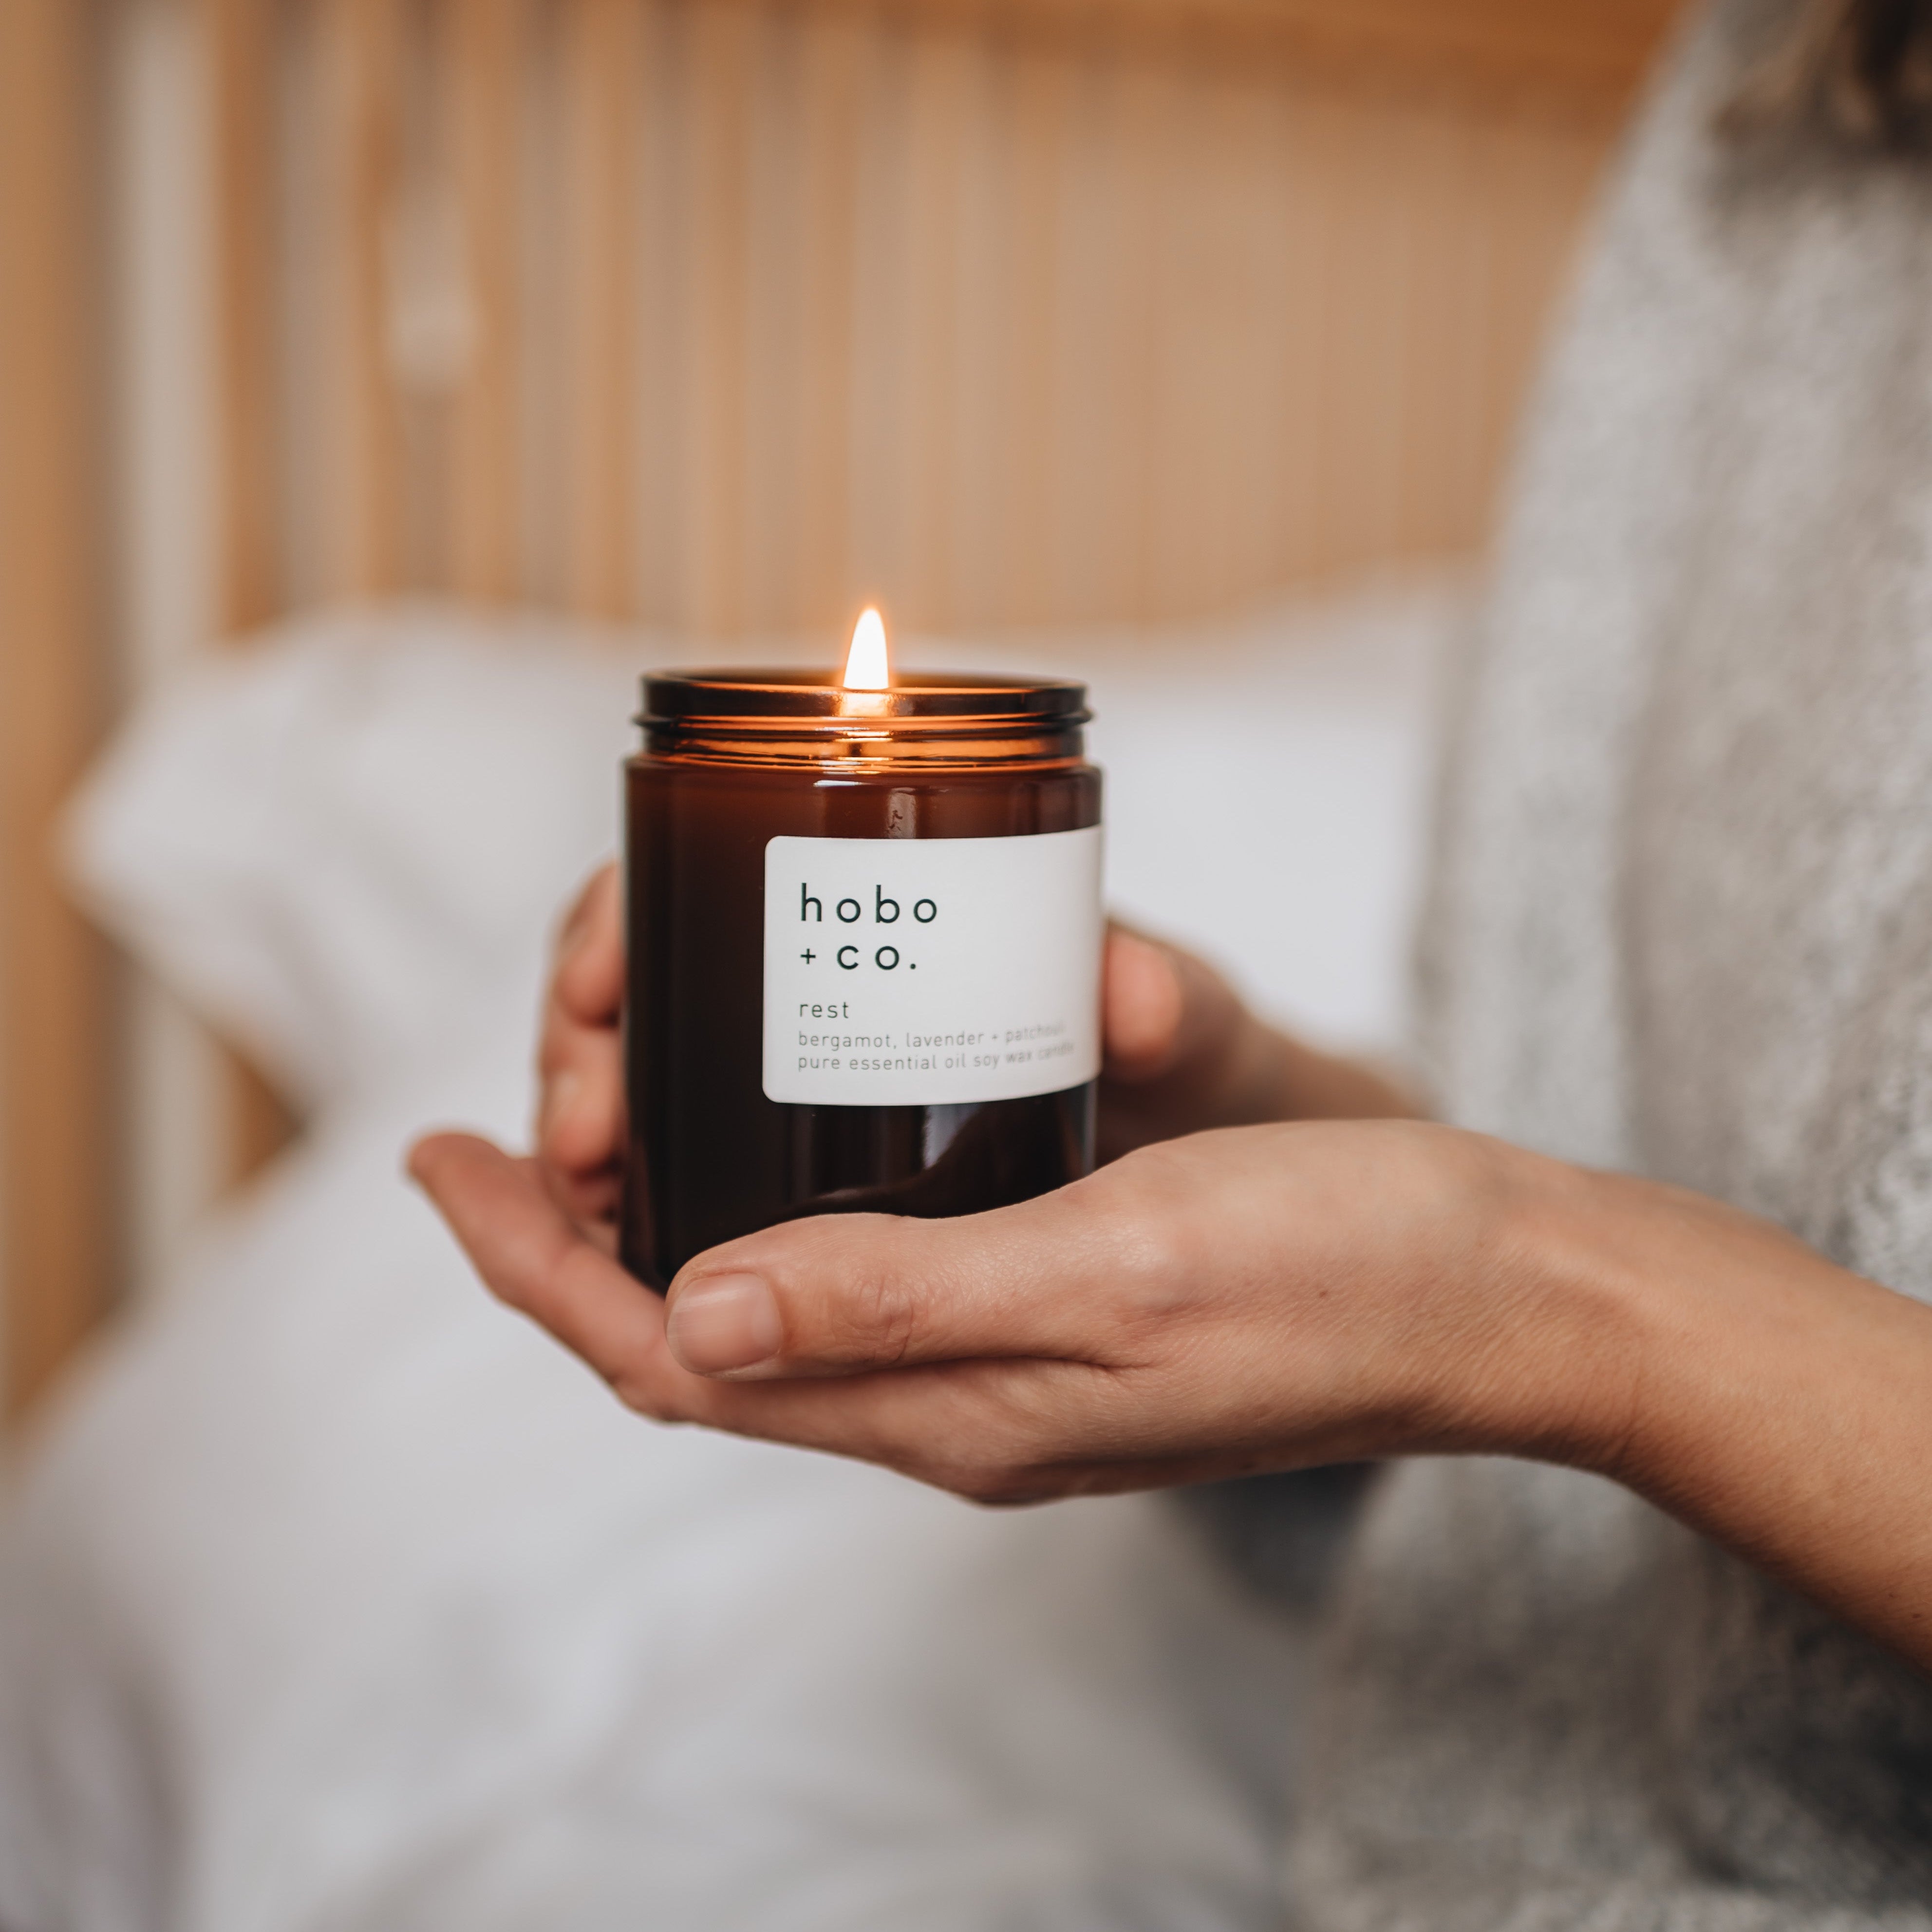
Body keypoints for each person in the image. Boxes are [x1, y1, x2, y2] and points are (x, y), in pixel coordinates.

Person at [412, 0, 1932, 1921]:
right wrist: (1238, 1128)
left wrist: (1567, 1306)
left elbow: (1591, 1278)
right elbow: (1582, 1157)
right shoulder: (1778, 80)